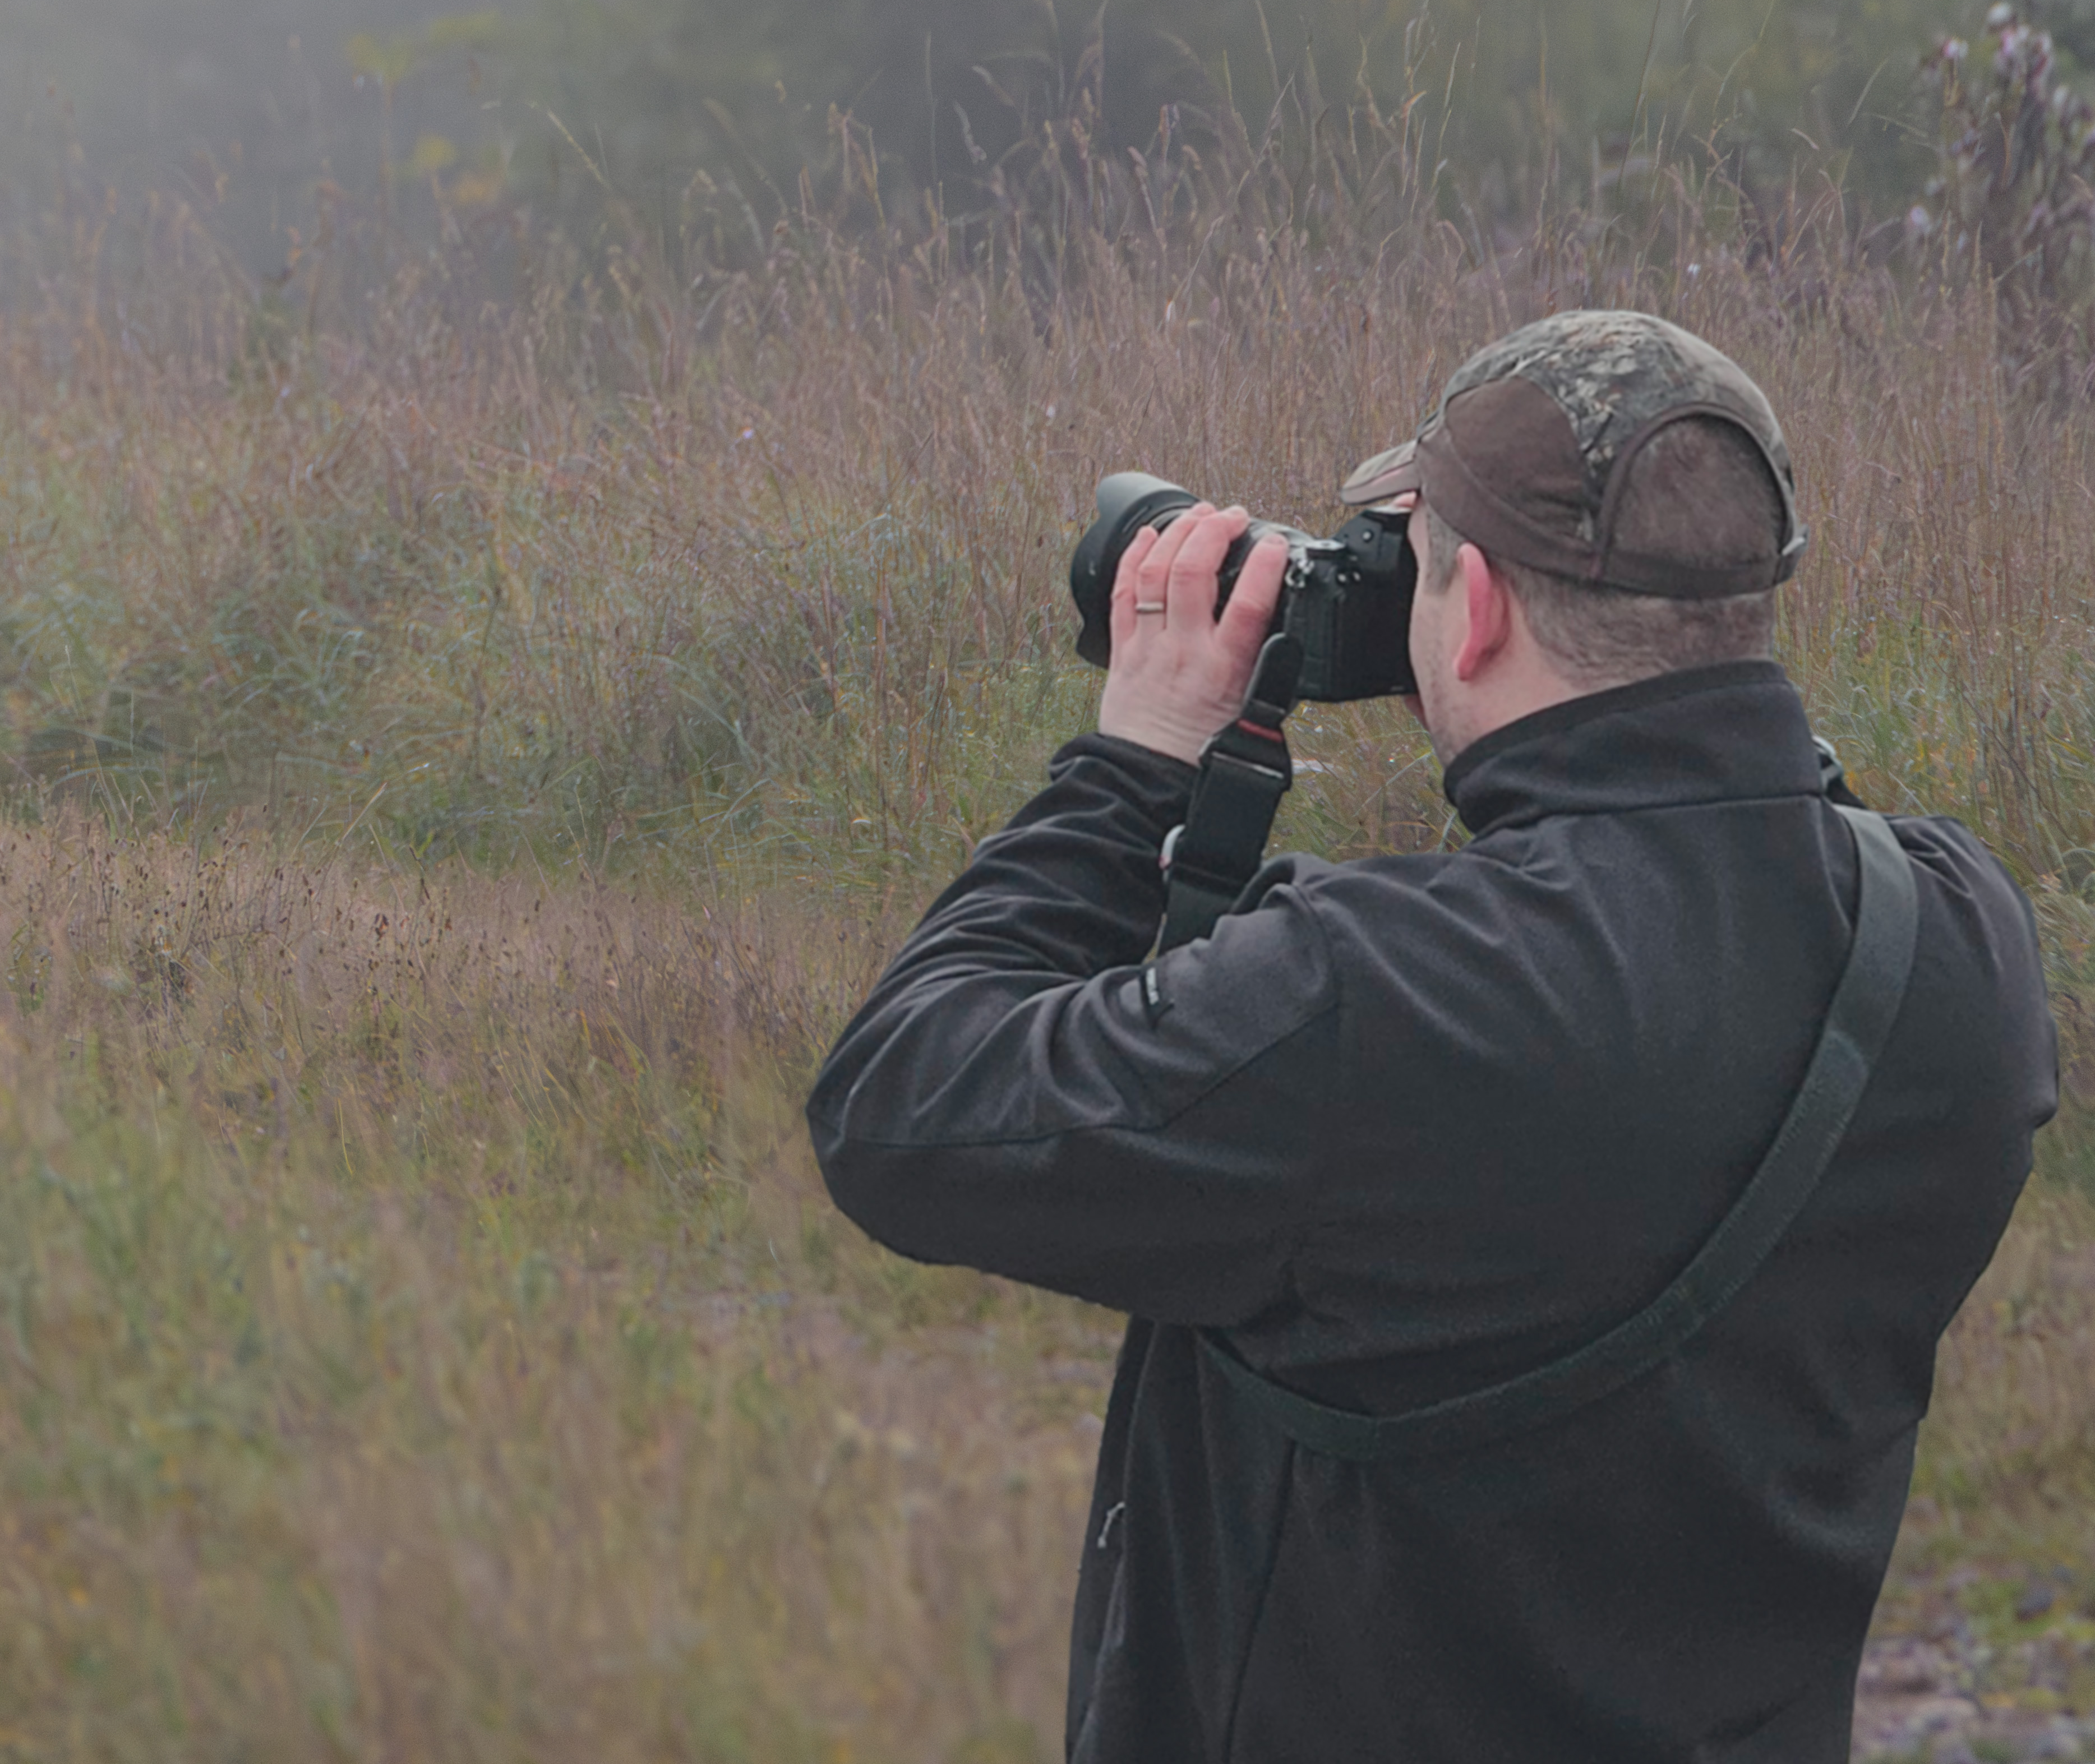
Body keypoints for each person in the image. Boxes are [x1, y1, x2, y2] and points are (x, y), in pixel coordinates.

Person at [805, 310, 2061, 1763]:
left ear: (1466, 617)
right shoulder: (1962, 944)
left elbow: (899, 1107)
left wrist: (1133, 760)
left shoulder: (1374, 998)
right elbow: (1754, 866)